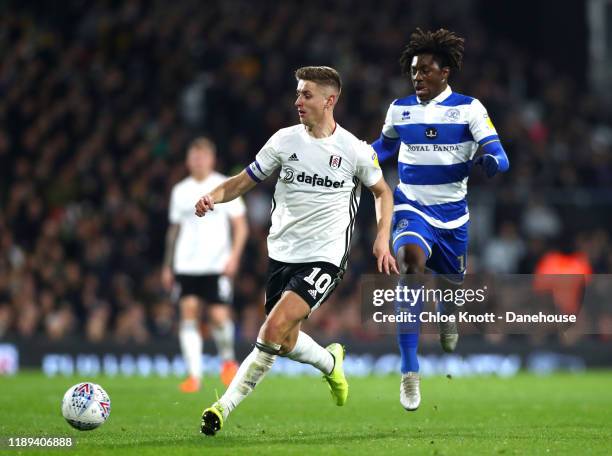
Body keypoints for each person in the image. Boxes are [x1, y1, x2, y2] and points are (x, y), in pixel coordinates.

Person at [195, 66, 398, 436]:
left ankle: (222, 408)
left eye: (306, 95)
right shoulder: (283, 142)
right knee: (283, 341)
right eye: (298, 94)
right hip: (282, 254)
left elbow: (383, 191)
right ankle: (329, 361)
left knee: (271, 328)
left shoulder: (354, 151)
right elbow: (243, 181)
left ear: (329, 100)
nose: (298, 101)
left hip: (326, 256)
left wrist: (383, 236)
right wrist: (213, 196)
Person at [371, 29, 510, 411]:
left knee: (450, 289)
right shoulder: (400, 109)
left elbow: (500, 154)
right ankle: (410, 373)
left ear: (445, 72)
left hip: (453, 218)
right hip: (410, 206)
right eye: (414, 71)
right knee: (411, 266)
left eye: (426, 71)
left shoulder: (469, 109)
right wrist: (351, 156)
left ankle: (447, 316)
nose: (417, 77)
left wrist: (491, 162)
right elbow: (382, 148)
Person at [162, 137, 249, 392]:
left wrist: (234, 257)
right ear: (188, 160)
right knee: (188, 313)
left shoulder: (223, 186)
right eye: (194, 157)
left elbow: (240, 226)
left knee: (218, 316)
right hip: (186, 265)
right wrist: (167, 265)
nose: (198, 161)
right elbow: (174, 230)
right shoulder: (180, 190)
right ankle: (194, 376)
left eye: (202, 157)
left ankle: (228, 361)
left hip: (216, 264)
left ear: (211, 159)